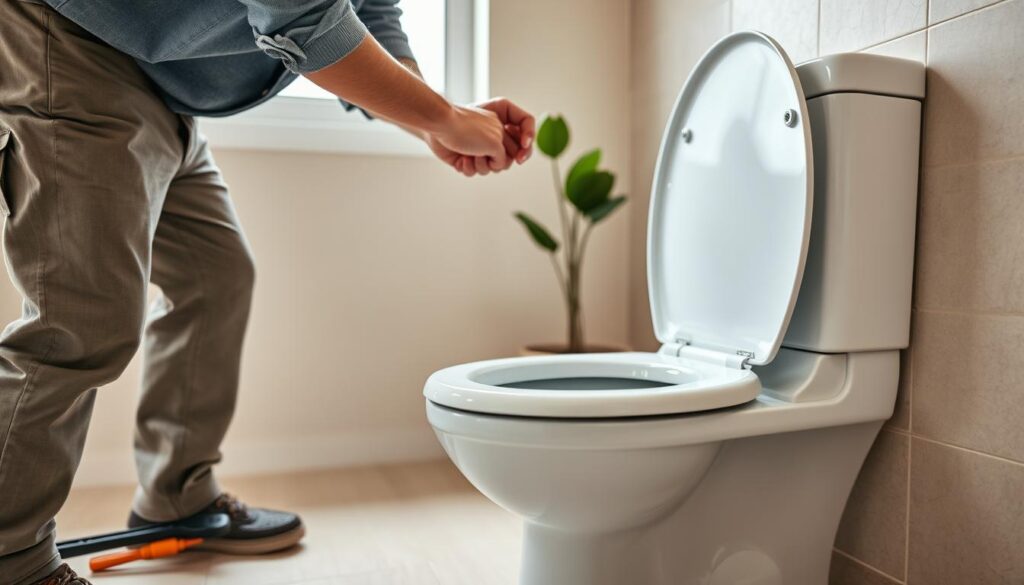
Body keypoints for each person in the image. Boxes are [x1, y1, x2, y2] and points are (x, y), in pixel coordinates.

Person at [0, 0, 536, 583]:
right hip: (80, 41)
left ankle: (178, 495)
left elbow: (370, 13)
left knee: (215, 275)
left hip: (162, 82)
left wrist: (434, 122)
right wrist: (444, 118)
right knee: (78, 323)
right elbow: (304, 19)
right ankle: (13, 557)